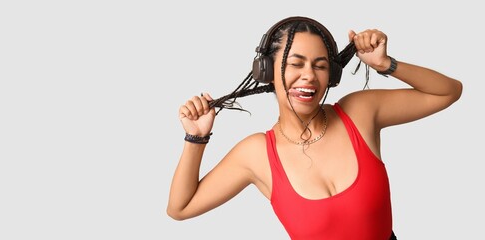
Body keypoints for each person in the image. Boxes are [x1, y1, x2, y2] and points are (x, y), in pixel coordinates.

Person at [166, 16, 462, 240]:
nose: (309, 76)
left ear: (331, 74)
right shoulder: (257, 154)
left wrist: (386, 65)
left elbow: (447, 92)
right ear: (266, 71)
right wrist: (196, 138)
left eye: (320, 65)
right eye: (296, 64)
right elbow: (180, 208)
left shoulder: (359, 113)